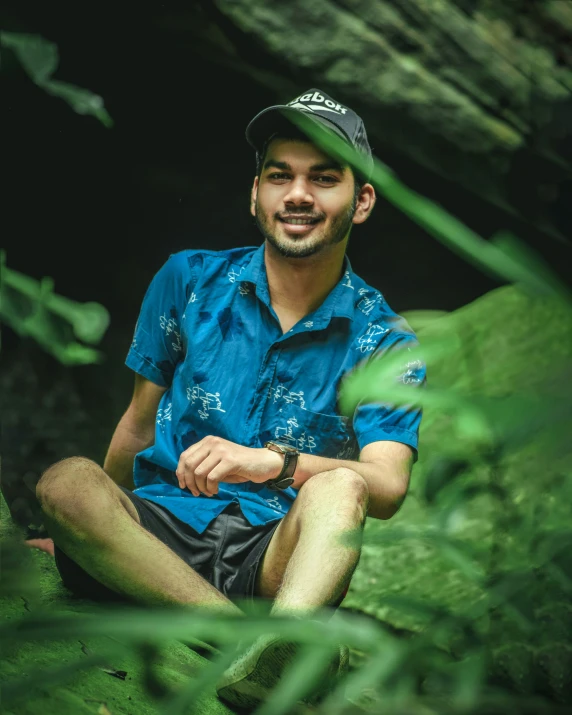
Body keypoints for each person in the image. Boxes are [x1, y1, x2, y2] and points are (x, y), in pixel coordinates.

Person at [36, 88, 425, 708]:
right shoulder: (187, 281)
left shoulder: (385, 340)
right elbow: (137, 423)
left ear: (362, 200)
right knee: (64, 482)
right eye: (280, 176)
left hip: (273, 558)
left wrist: (279, 463)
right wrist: (89, 530)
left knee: (343, 487)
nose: (298, 195)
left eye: (323, 179)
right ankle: (253, 645)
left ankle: (280, 631)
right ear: (256, 193)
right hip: (158, 534)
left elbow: (387, 486)